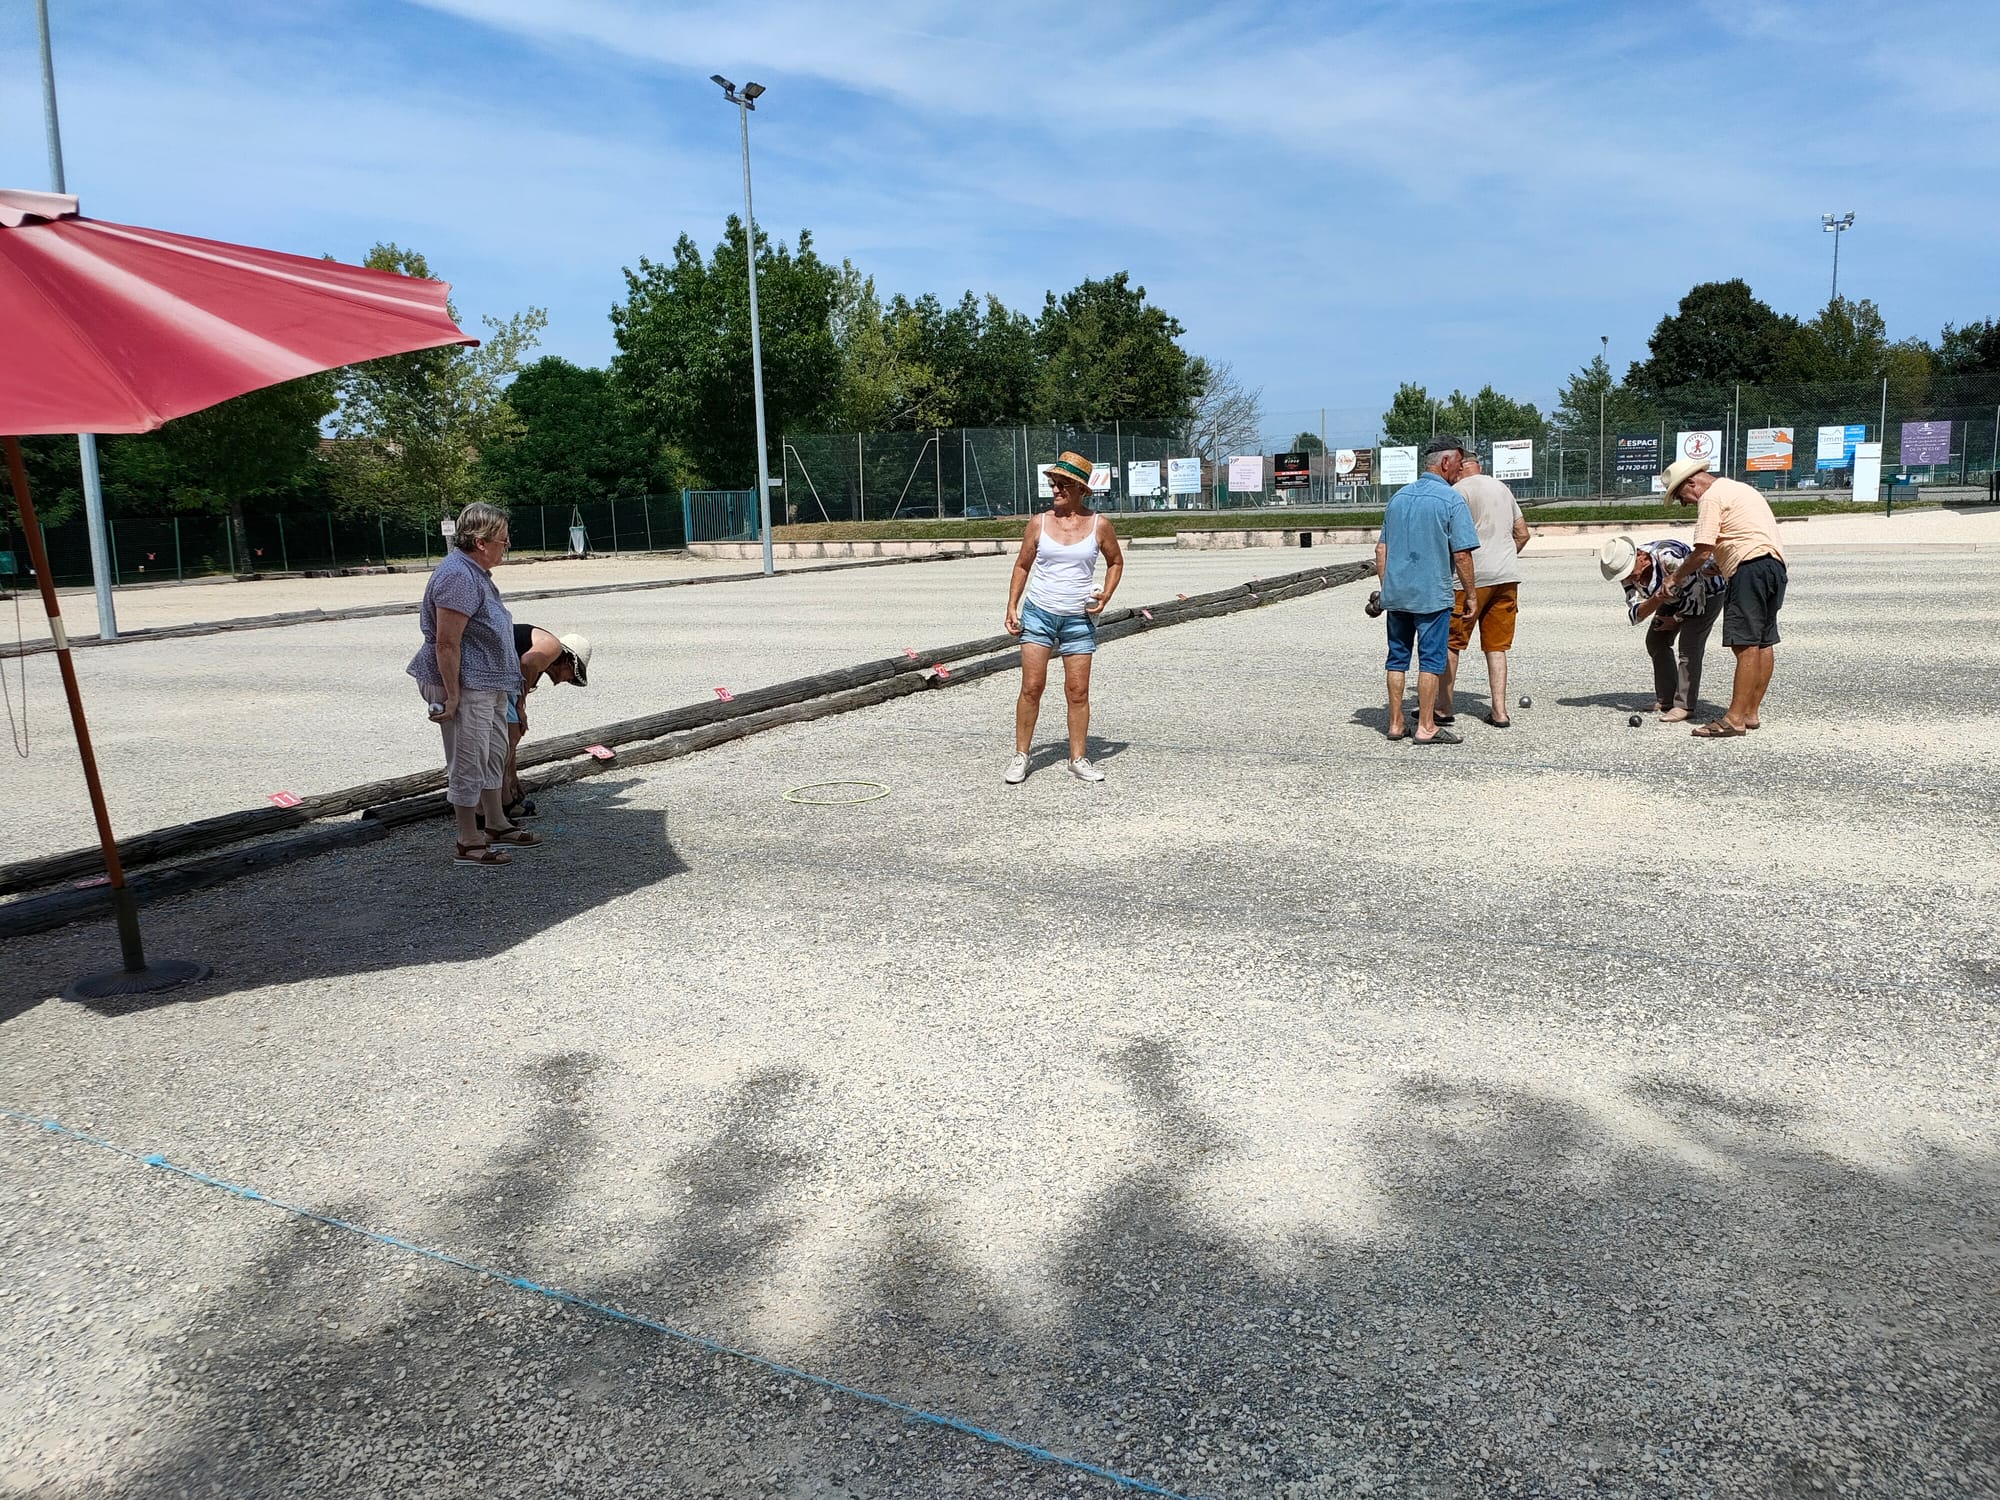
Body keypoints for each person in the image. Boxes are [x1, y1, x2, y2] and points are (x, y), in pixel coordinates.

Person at [406, 502, 539, 866]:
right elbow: (446, 642)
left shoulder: (475, 572)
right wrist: (451, 696)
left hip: (489, 682)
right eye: (502, 539)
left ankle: (495, 821)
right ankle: (468, 838)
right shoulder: (458, 575)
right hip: (467, 685)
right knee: (468, 759)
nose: (506, 544)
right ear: (481, 542)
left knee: (493, 753)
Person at [1003, 451, 1124, 783]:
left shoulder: (1099, 525)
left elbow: (1116, 562)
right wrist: (1012, 605)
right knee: (1031, 686)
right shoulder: (1039, 523)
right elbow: (1022, 565)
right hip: (1039, 613)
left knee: (1077, 691)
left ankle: (1078, 757)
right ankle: (1021, 755)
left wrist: (1106, 595)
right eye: (1053, 484)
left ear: (1081, 489)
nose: (1055, 490)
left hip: (1078, 619)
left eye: (1063, 485)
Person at [1660, 458, 1788, 737]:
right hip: (1773, 567)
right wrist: (1722, 562)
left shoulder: (1711, 497)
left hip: (1748, 570)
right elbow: (1745, 533)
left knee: (1744, 644)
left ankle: (1733, 719)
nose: (1684, 504)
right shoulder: (1740, 489)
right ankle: (1750, 713)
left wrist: (1675, 577)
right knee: (1764, 641)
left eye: (1680, 496)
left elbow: (1702, 550)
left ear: (1692, 482)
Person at [1375, 434, 1479, 744]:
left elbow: (1381, 551)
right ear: (1445, 462)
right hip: (1432, 596)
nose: (1459, 472)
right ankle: (1426, 727)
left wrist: (1387, 589)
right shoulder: (1450, 500)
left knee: (1397, 659)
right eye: (1458, 465)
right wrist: (1471, 594)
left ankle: (1395, 724)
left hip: (1397, 595)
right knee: (1431, 660)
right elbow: (1461, 554)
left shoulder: (1398, 498)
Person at [1440, 451, 1531, 728]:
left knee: (1452, 643)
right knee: (1496, 646)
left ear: (1461, 466)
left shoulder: (1458, 491)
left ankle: (1443, 708)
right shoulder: (1503, 488)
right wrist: (1504, 557)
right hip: (1506, 576)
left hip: (1470, 578)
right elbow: (1523, 533)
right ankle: (1499, 711)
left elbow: (1451, 538)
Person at [1597, 533, 1725, 721]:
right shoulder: (1628, 574)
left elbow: (1695, 593)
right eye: (1624, 575)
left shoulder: (1668, 557)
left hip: (1706, 593)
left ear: (1641, 557)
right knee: (1656, 641)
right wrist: (1657, 598)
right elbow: (1636, 614)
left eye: (1630, 572)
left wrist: (1676, 619)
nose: (1630, 578)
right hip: (1669, 596)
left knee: (1689, 647)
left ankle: (1684, 706)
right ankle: (1666, 699)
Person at [498, 626, 593, 819]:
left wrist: (514, 775)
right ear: (568, 660)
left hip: (497, 678)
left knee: (508, 738)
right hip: (497, 678)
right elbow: (525, 661)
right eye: (572, 675)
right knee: (506, 740)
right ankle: (503, 802)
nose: (567, 680)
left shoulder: (539, 663)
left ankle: (504, 794)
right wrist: (519, 707)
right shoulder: (552, 647)